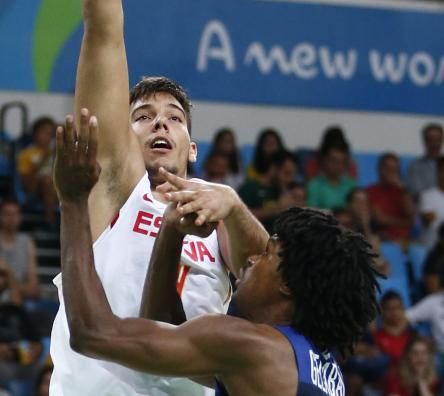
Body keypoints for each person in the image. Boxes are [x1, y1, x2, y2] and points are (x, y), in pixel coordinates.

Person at [49, 0, 268, 396]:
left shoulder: (221, 222)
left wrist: (233, 208)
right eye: (143, 116)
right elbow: (103, 25)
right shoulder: (118, 185)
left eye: (174, 117)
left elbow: (275, 277)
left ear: (193, 147)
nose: (160, 123)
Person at [53, 111, 381, 396]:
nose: (250, 260)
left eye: (267, 255)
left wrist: (73, 200)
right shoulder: (320, 360)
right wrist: (172, 231)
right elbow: (163, 329)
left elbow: (91, 331)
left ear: (288, 284)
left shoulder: (250, 347)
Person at [17, 116, 58, 227]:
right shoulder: (26, 154)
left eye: (50, 134)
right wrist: (42, 160)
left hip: (56, 190)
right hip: (34, 190)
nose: (47, 137)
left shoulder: (55, 153)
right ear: (35, 133)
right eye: (44, 133)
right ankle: (50, 222)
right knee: (46, 180)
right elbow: (26, 183)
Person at [366, 153, 415, 245]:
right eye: (387, 169)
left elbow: (412, 219)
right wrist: (403, 222)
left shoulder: (403, 192)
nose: (390, 173)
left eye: (394, 170)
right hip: (381, 240)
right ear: (379, 169)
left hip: (403, 242)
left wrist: (403, 189)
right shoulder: (370, 192)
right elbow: (379, 219)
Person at [0, 199, 40, 300]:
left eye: (15, 214)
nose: (11, 218)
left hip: (18, 302)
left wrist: (9, 276)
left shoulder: (27, 242)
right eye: (7, 214)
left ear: (20, 217)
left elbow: (33, 288)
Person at [306, 144, 356, 211]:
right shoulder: (314, 185)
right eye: (334, 161)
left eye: (342, 162)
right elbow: (312, 210)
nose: (338, 165)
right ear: (325, 161)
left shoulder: (351, 185)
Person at [406, 124, 443, 199]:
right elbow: (416, 192)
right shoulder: (415, 166)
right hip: (424, 208)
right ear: (425, 141)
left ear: (442, 141)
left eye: (437, 140)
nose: (434, 144)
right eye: (431, 140)